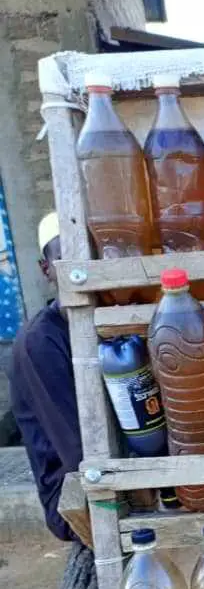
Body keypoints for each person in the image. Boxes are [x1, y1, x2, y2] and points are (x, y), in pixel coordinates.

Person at [9, 213, 82, 541]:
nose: (77, 268)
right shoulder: (41, 342)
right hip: (72, 501)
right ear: (46, 269)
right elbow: (79, 456)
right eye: (63, 257)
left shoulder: (104, 323)